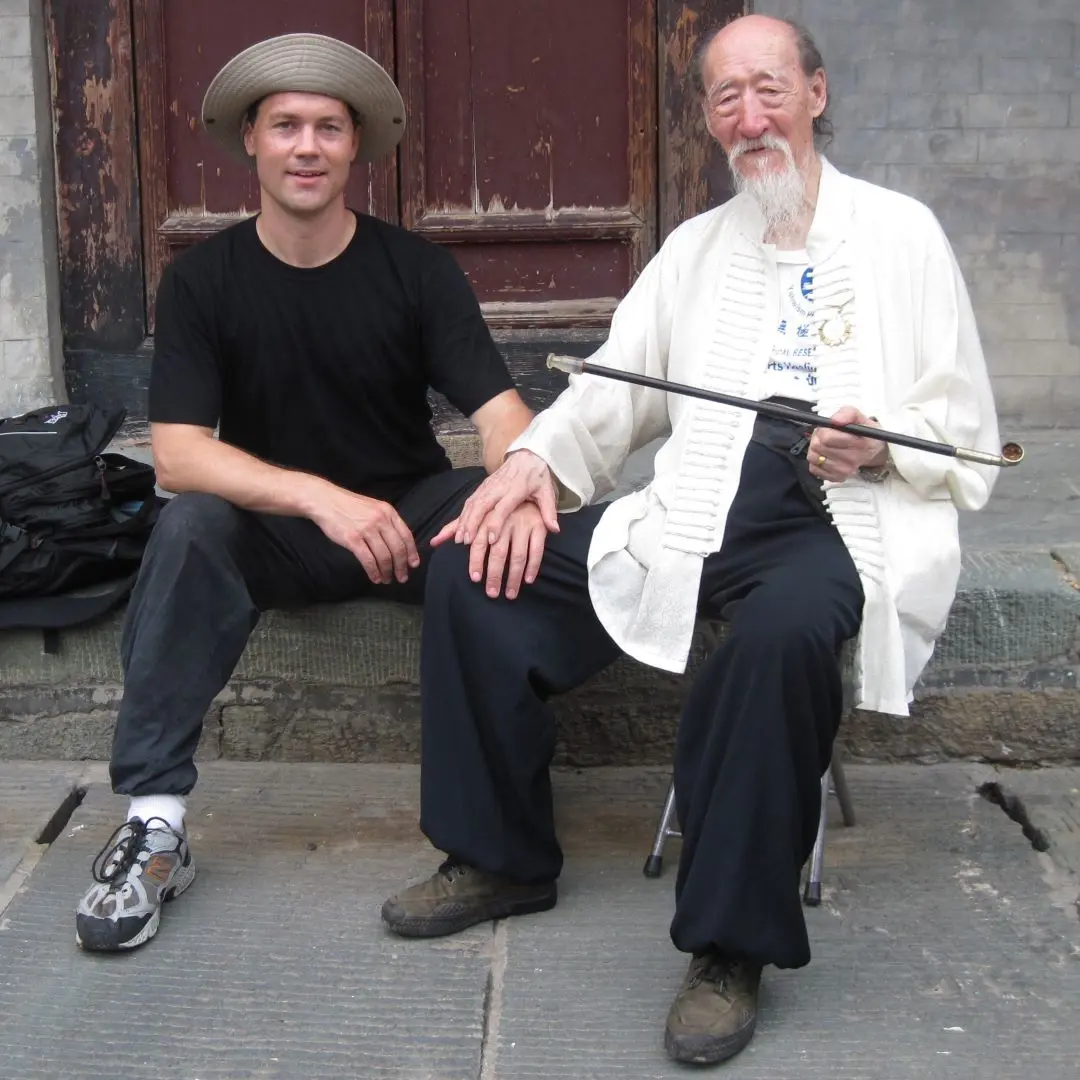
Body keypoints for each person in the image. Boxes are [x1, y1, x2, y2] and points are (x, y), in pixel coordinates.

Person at [381, 13, 1003, 1066]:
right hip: (696, 506)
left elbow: (965, 433)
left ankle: (727, 947)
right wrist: (533, 466)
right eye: (726, 98)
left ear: (816, 92)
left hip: (834, 522)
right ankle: (499, 857)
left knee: (780, 640)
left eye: (770, 89)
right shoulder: (694, 249)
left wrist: (882, 451)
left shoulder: (904, 236)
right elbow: (613, 392)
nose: (750, 118)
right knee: (477, 563)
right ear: (709, 119)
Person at [76, 33, 542, 954]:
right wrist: (322, 499)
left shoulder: (416, 270)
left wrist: (520, 476)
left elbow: (502, 413)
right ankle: (156, 822)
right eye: (285, 125)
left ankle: (502, 824)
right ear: (249, 139)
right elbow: (176, 456)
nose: (306, 146)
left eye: (329, 127)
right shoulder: (204, 281)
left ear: (355, 148)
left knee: (508, 517)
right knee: (190, 525)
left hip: (407, 519)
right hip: (276, 533)